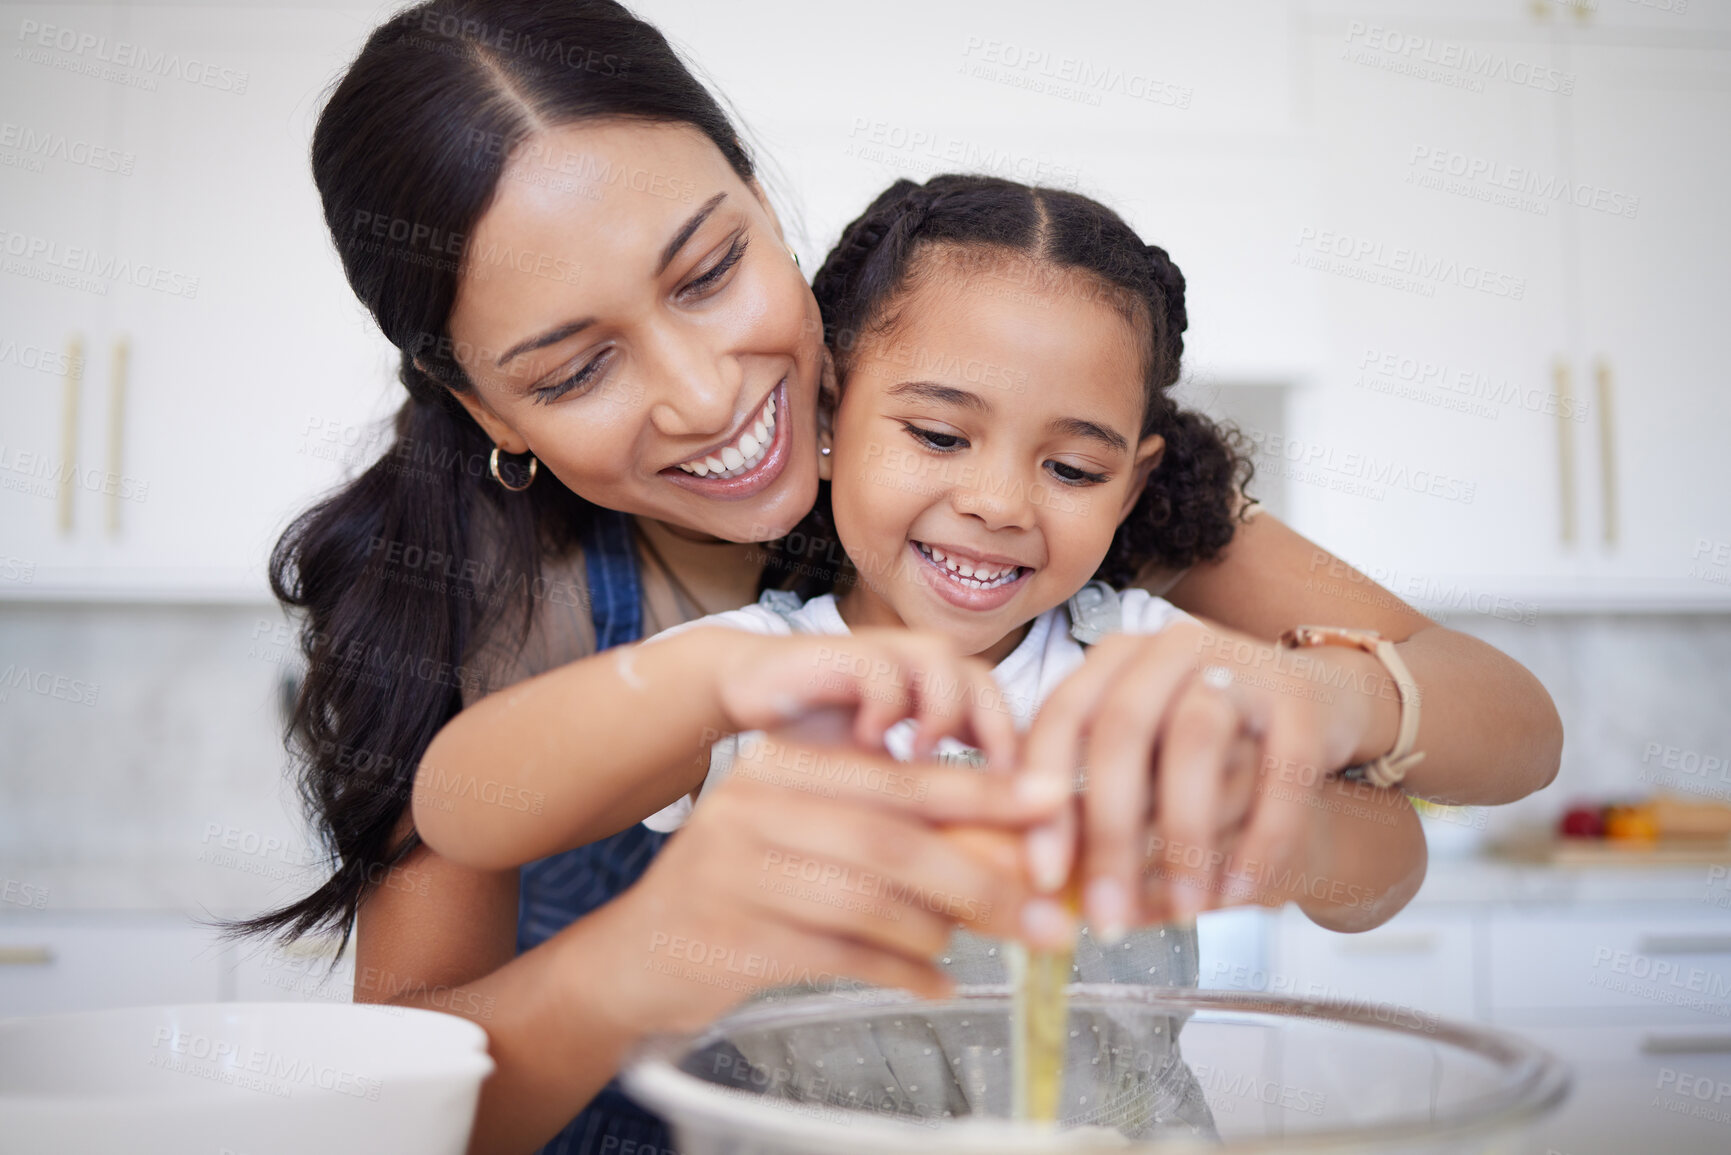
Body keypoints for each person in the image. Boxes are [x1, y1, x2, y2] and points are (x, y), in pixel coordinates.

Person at [240, 3, 1563, 1153]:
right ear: (490, 410)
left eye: (708, 270)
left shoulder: (1044, 467)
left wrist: (1315, 715)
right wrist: (664, 918)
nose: (706, 397)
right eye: (575, 368)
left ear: (765, 207)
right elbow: (413, 1034)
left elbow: (1484, 740)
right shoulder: (503, 595)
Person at [413, 173, 1428, 946]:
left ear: (1131, 487)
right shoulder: (761, 681)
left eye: (1072, 469)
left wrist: (1285, 834)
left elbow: (1392, 868)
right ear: (827, 418)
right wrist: (723, 682)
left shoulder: (1146, 664)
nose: (997, 503)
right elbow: (465, 807)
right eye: (939, 438)